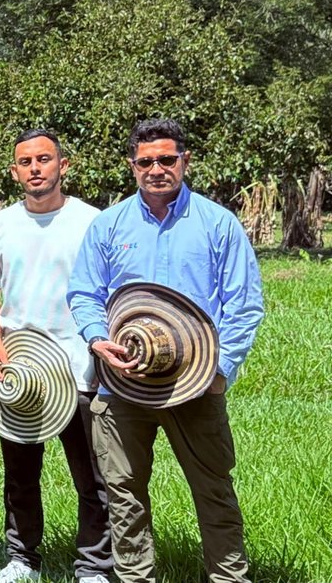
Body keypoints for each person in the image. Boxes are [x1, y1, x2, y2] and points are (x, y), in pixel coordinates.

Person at [68, 118, 264, 583]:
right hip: (123, 381)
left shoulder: (218, 224)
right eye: (146, 162)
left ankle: (229, 578)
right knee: (123, 493)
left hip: (195, 383)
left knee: (213, 490)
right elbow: (84, 293)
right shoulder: (109, 225)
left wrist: (220, 370)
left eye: (166, 159)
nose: (156, 169)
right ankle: (135, 578)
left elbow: (244, 304)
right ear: (132, 166)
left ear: (184, 161)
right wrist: (97, 338)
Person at [0, 130, 112, 583]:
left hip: (81, 367)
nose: (35, 168)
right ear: (14, 171)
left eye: (44, 159)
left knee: (92, 478)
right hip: (22, 371)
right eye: (25, 162)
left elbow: (110, 294)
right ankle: (22, 559)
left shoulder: (92, 222)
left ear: (63, 166)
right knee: (20, 475)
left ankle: (93, 566)